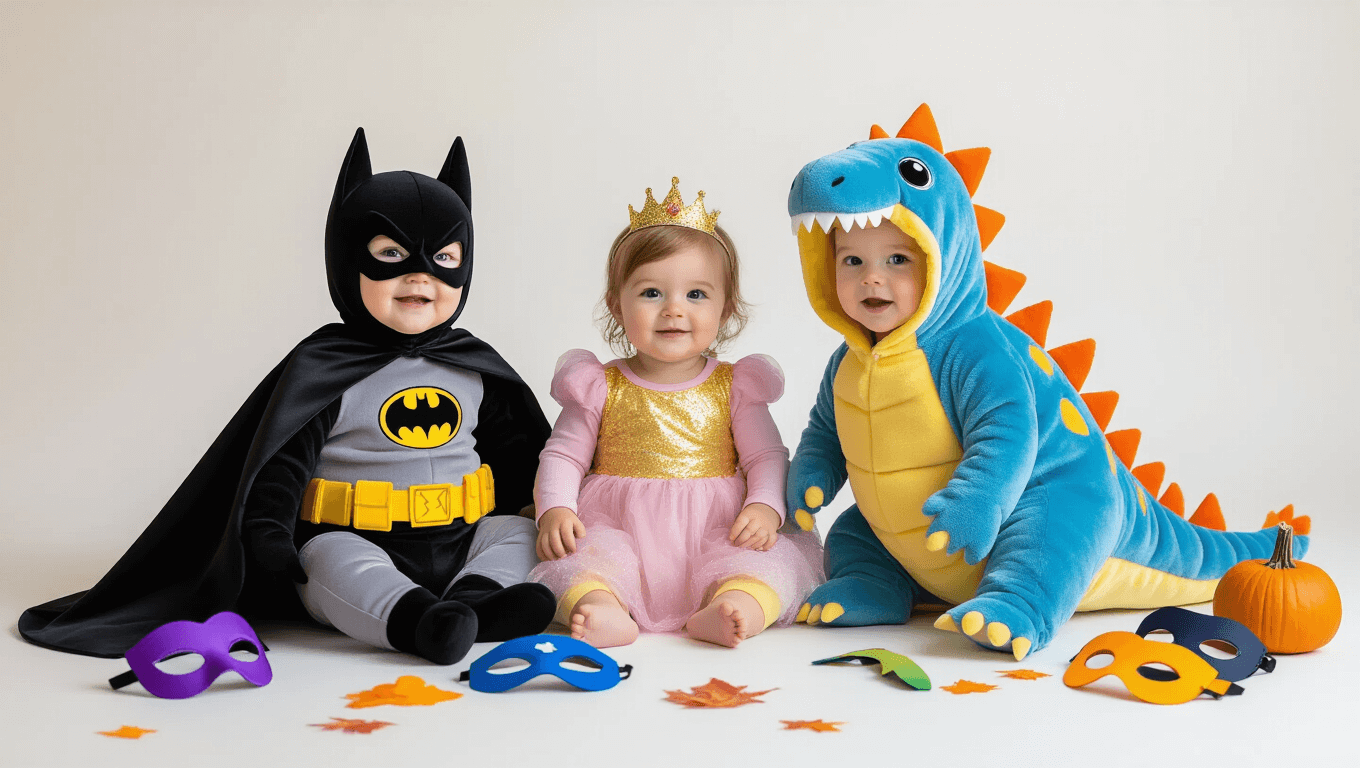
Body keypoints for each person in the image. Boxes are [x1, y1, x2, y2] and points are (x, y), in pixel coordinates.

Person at [19, 129, 555, 665]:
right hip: (358, 538)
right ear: (346, 258)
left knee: (520, 531)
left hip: (462, 536)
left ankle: (476, 601)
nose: (419, 276)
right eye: (390, 254)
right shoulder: (326, 367)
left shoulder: (472, 365)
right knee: (329, 562)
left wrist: (552, 506)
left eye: (443, 257)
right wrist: (269, 531)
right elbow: (283, 461)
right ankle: (417, 621)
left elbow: (518, 452)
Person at [530, 178, 823, 648]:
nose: (673, 310)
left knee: (766, 567)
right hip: (618, 526)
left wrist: (765, 507)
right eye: (651, 293)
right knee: (578, 566)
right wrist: (556, 509)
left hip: (718, 528)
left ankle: (735, 607)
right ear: (616, 305)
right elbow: (563, 455)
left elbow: (766, 457)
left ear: (725, 308)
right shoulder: (598, 384)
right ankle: (602, 608)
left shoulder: (736, 385)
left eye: (696, 295)